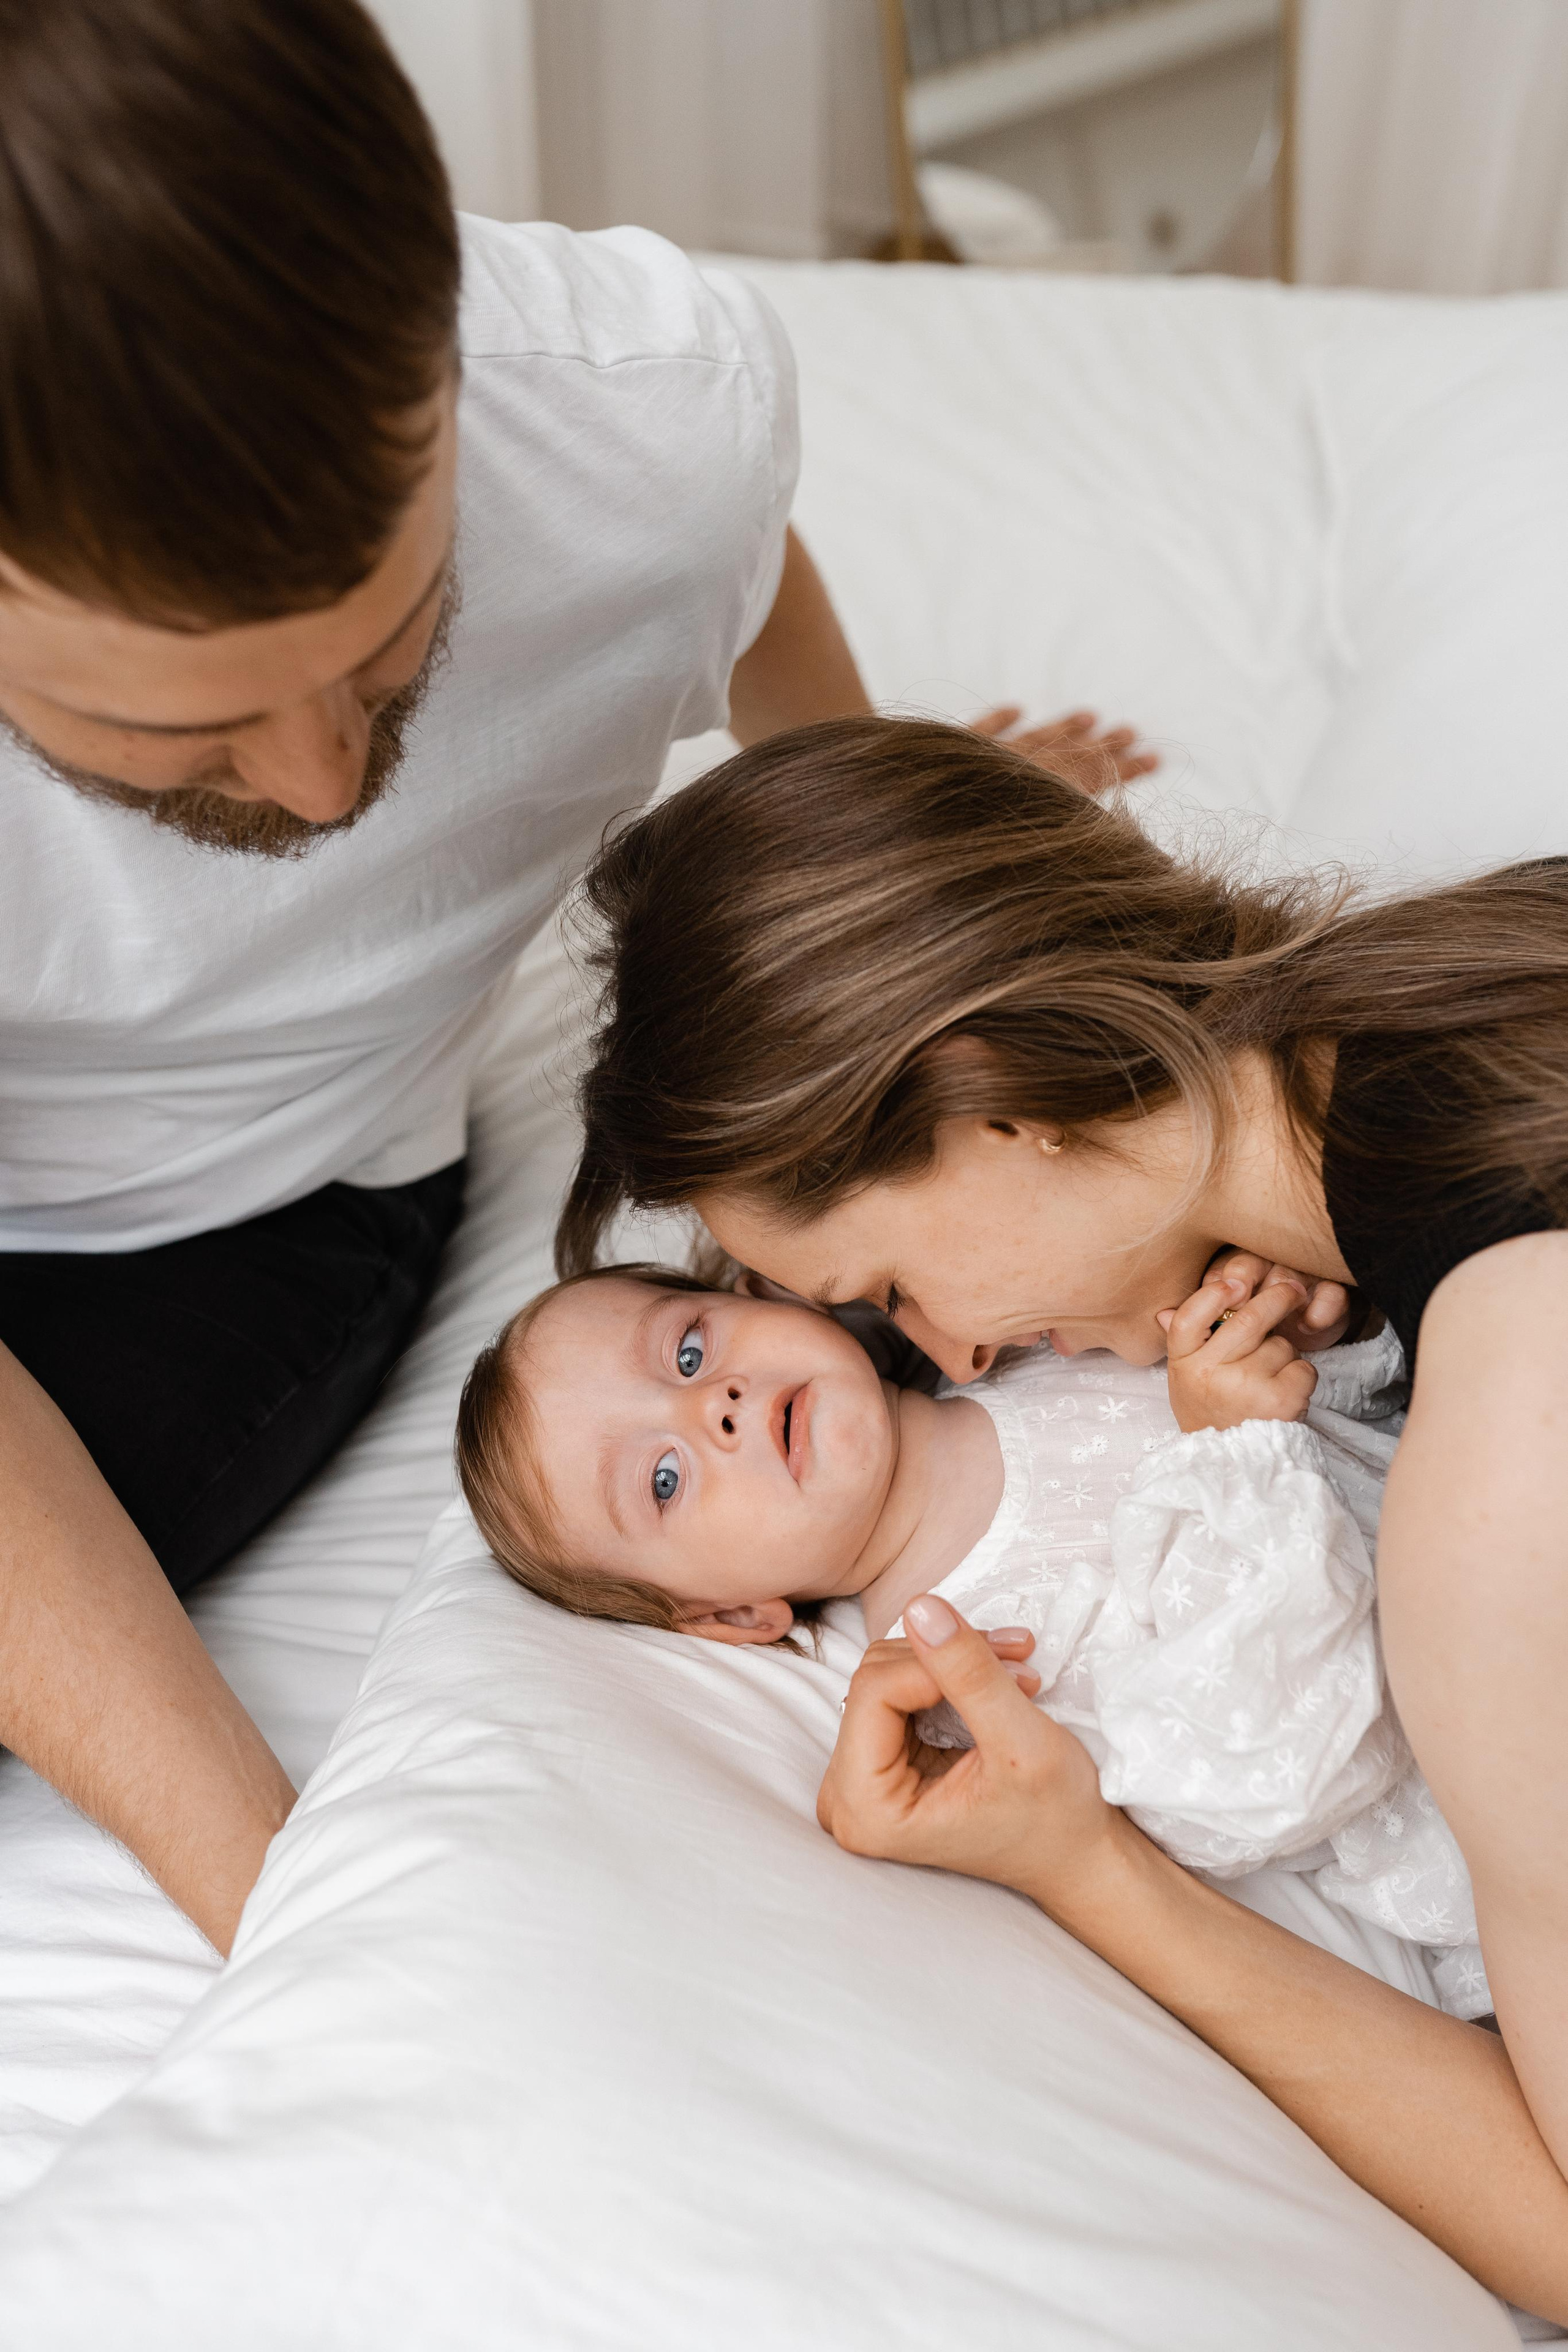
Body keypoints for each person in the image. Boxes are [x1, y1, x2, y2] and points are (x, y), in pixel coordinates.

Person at [0, 0, 1152, 1955]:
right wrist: (296, 1926)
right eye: (175, 739)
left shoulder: (639, 415)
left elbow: (731, 574)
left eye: (394, 647)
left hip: (233, 1205)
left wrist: (883, 844)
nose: (328, 788)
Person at [555, 712, 1568, 2316]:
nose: (957, 1359)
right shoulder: (1501, 966)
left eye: (891, 1289)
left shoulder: (1496, 1503)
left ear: (991, 1094)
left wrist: (1085, 1868)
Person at [454, 1250, 1490, 2013]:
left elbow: (1364, 1423)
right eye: (663, 1480)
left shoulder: (1028, 1346)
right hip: (1495, 1790)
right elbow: (1267, 1767)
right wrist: (1241, 1455)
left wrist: (1306, 1340)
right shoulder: (966, 1659)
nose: (711, 1408)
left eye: (688, 1350)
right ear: (733, 1615)